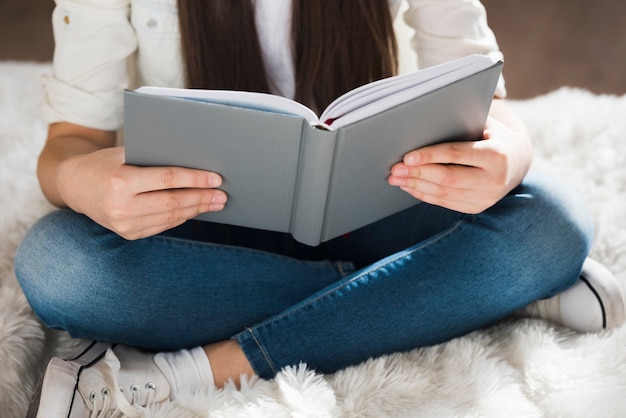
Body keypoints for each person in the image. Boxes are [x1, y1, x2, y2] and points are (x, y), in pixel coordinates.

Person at [15, 0, 625, 416]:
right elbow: (69, 148)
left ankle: (198, 369)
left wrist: (508, 155)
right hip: (206, 229)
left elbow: (488, 102)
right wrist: (85, 182)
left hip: (384, 205)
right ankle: (480, 291)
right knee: (59, 265)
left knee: (551, 220)